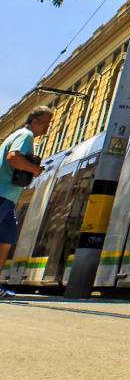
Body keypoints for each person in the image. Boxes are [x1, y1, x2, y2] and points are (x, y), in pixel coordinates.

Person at [0, 106, 53, 297]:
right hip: (2, 194)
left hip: (9, 198)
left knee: (6, 240)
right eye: (46, 123)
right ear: (35, 121)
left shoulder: (21, 135)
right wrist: (35, 169)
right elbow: (13, 157)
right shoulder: (25, 135)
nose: (47, 128)